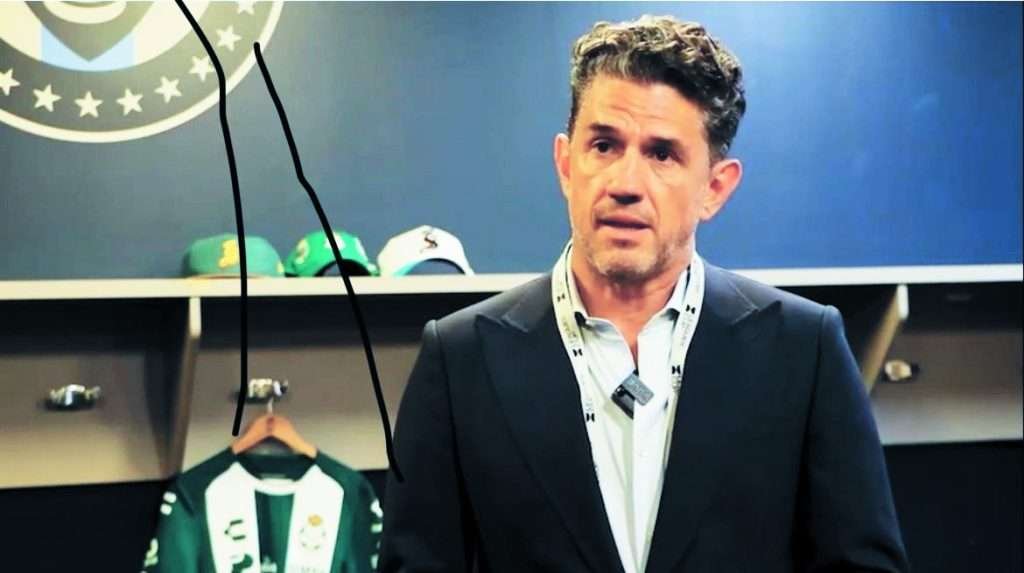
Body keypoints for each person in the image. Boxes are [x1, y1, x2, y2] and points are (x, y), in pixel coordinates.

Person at [380, 15, 909, 573]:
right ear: (566, 164)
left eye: (662, 154)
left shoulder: (803, 349)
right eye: (604, 145)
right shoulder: (460, 357)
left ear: (715, 187)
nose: (625, 183)